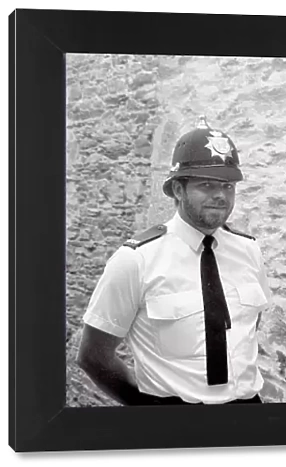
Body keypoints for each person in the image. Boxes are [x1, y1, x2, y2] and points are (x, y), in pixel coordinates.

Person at [77, 117, 271, 405]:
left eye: (228, 186)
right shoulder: (136, 260)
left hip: (248, 412)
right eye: (206, 184)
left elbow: (247, 328)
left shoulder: (249, 251)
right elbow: (94, 356)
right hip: (174, 418)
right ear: (178, 190)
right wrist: (147, 410)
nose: (220, 195)